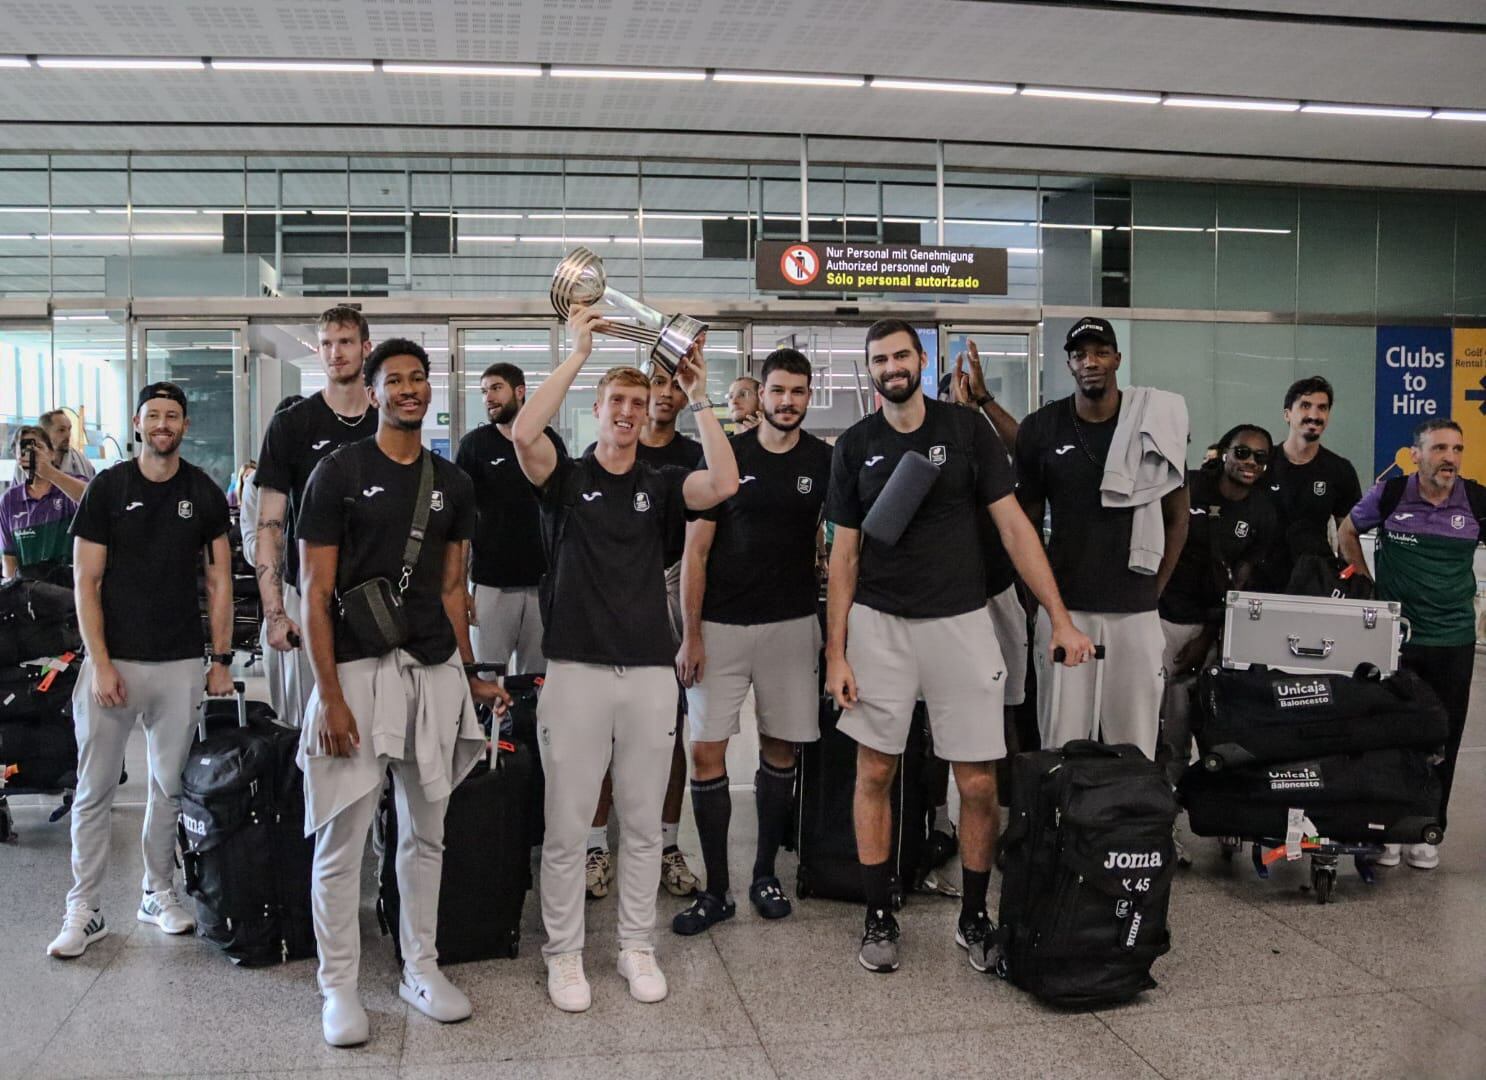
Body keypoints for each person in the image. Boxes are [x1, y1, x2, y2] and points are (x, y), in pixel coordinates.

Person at [825, 319, 1093, 975]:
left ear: (921, 359)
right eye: (878, 359)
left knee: (976, 782)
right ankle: (878, 914)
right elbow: (844, 556)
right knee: (875, 773)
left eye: (900, 355)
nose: (891, 366)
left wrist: (1059, 618)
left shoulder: (967, 431)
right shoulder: (855, 445)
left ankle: (974, 916)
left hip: (961, 622)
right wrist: (835, 652)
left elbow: (1014, 528)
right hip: (879, 626)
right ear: (870, 371)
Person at [513, 306, 737, 1012]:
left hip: (647, 672)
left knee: (642, 824)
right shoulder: (566, 478)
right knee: (570, 825)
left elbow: (725, 483)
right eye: (617, 403)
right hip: (575, 670)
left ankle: (635, 948)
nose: (628, 413)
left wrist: (700, 396)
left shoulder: (665, 483)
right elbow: (524, 432)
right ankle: (564, 956)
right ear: (598, 409)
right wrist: (578, 354)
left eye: (639, 404)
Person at [295, 338, 506, 1047]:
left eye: (419, 379)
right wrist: (329, 698)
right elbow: (316, 593)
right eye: (396, 380)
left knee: (427, 833)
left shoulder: (453, 482)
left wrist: (472, 672)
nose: (409, 389)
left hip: (432, 670)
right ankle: (339, 987)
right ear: (374, 390)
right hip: (354, 670)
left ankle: (421, 966)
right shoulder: (338, 472)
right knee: (342, 839)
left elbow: (453, 588)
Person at [47, 382, 233, 959]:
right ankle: (85, 907)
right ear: (137, 422)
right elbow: (86, 581)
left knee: (167, 788)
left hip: (178, 662)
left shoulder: (201, 492)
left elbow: (220, 579)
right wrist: (99, 664)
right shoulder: (108, 487)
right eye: (153, 415)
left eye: (172, 415)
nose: (162, 423)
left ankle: (157, 892)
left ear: (183, 426)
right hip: (115, 665)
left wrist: (221, 660)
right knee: (94, 790)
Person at [671, 348, 833, 933]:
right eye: (778, 391)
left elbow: (835, 545)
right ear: (759, 395)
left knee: (781, 748)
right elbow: (696, 553)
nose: (787, 401)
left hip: (791, 625)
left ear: (808, 396)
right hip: (719, 627)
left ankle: (764, 872)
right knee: (706, 749)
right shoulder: (727, 458)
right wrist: (690, 635)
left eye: (798, 391)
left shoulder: (824, 460)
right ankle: (717, 890)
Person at [1015, 317, 1190, 758]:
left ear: (1117, 358)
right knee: (1061, 737)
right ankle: (1058, 826)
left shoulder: (1153, 420)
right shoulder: (1042, 427)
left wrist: (1155, 588)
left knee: (1134, 739)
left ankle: (1132, 824)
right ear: (1069, 364)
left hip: (1135, 604)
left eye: (1100, 352)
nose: (1090, 362)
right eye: (1080, 355)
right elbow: (1025, 524)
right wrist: (1039, 601)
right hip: (1066, 608)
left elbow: (1177, 517)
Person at [583, 365, 704, 902]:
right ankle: (594, 845)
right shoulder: (602, 453)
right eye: (652, 387)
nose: (660, 396)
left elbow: (699, 544)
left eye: (672, 387)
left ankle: (666, 843)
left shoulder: (689, 457)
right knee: (603, 731)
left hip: (671, 585)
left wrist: (691, 629)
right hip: (610, 591)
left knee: (670, 729)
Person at [1338, 418, 1478, 872]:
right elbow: (1346, 531)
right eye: (1439, 448)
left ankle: (1427, 827)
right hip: (1394, 636)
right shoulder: (1392, 495)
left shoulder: (1475, 499)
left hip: (1453, 640)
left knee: (1443, 735)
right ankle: (1387, 829)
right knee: (1389, 732)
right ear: (1415, 454)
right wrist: (1368, 586)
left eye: (1456, 448)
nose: (1450, 458)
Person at [253, 307, 378, 728]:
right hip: (304, 594)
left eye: (344, 342)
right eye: (326, 343)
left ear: (366, 349)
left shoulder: (387, 422)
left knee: (374, 727)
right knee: (306, 730)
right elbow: (269, 526)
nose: (335, 352)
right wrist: (275, 614)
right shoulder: (292, 425)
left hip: (373, 597)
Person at [1158, 425, 1278, 789]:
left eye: (1260, 457)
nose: (1250, 463)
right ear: (1224, 451)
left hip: (1213, 626)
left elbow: (1239, 586)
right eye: (1242, 452)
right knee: (1163, 723)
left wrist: (1209, 635)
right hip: (1164, 617)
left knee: (1209, 719)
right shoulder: (1188, 485)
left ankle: (1211, 805)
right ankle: (1158, 809)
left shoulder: (1262, 511)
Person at [456, 362, 567, 676]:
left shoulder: (548, 442)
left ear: (520, 392)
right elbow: (462, 521)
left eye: (495, 388)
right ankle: (487, 727)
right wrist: (462, 586)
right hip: (492, 584)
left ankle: (529, 728)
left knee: (536, 679)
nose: (488, 397)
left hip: (541, 582)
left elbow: (563, 512)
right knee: (488, 676)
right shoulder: (474, 446)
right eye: (484, 391)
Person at [1263, 376, 1362, 590]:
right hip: (1261, 583)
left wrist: (1357, 584)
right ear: (1287, 414)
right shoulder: (1262, 463)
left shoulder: (1340, 470)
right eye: (1305, 406)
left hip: (1316, 583)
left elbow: (1348, 536)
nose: (1314, 416)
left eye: (1322, 408)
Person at [241, 395, 303, 718]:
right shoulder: (258, 482)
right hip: (281, 589)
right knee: (286, 689)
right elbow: (253, 544)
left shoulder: (322, 473)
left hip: (313, 586)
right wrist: (275, 546)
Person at [1, 425, 87, 583]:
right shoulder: (9, 501)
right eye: (24, 448)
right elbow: (9, 559)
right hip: (30, 594)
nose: (31, 453)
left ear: (52, 454)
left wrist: (50, 472)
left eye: (38, 447)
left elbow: (92, 497)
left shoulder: (70, 485)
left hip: (68, 590)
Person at [12, 408, 96, 487]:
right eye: (61, 430)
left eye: (69, 429)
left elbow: (92, 493)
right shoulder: (25, 463)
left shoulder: (80, 460)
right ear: (44, 433)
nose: (68, 435)